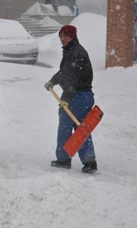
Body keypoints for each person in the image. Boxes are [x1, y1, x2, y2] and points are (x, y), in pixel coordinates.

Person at [44, 24, 97, 173]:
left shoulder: (73, 53)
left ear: (72, 36)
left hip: (76, 97)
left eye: (66, 36)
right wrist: (52, 81)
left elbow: (70, 78)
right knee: (82, 129)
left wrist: (66, 97)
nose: (63, 39)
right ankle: (89, 161)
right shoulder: (75, 51)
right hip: (87, 96)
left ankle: (63, 159)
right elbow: (64, 72)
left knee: (65, 128)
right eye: (61, 36)